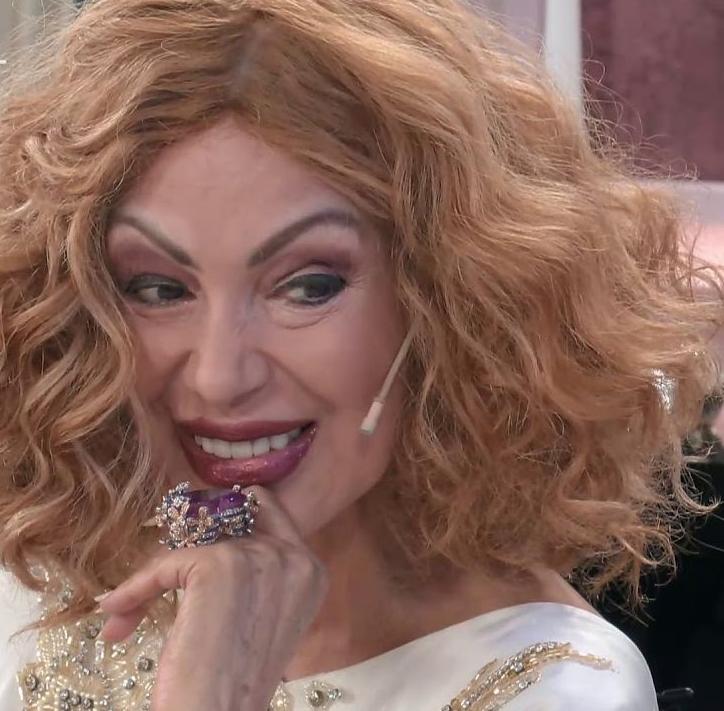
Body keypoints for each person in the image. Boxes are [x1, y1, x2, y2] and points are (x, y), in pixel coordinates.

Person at [0, 1, 721, 709]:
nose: (220, 377)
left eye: (308, 287)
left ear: (450, 301)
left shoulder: (554, 687)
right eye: (160, 289)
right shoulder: (49, 583)